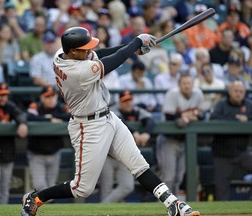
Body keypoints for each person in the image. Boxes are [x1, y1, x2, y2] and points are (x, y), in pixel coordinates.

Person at [21, 26, 200, 216]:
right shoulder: (78, 72)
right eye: (84, 48)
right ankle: (36, 197)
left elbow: (98, 54)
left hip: (108, 117)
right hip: (88, 126)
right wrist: (136, 43)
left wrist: (133, 48)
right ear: (73, 51)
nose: (89, 50)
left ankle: (174, 205)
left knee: (139, 165)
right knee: (82, 189)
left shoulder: (63, 53)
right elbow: (112, 61)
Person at [210, 81, 252, 200]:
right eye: (236, 91)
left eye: (241, 92)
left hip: (242, 151)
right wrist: (234, 119)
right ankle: (223, 211)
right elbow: (213, 118)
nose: (238, 94)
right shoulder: (222, 105)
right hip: (222, 153)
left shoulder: (249, 105)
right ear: (230, 92)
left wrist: (249, 118)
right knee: (222, 191)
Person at [99, 90, 155, 203]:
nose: (128, 103)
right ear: (119, 102)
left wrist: (146, 133)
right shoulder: (112, 110)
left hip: (123, 156)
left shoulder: (137, 111)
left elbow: (150, 120)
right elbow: (121, 122)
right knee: (106, 189)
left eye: (130, 100)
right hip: (107, 155)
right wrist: (135, 133)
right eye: (125, 101)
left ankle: (102, 207)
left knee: (127, 186)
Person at [157, 73, 205, 196]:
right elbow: (169, 117)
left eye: (189, 83)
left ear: (193, 84)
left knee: (179, 177)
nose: (187, 86)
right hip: (169, 140)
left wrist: (185, 117)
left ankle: (175, 206)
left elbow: (202, 115)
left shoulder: (197, 94)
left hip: (186, 141)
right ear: (179, 85)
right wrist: (189, 116)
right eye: (184, 83)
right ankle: (161, 207)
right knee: (168, 177)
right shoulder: (172, 94)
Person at [26, 85, 70, 192]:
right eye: (48, 97)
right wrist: (49, 119)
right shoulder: (35, 106)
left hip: (54, 152)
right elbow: (29, 117)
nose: (51, 99)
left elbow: (72, 115)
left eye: (53, 96)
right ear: (42, 97)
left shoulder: (61, 107)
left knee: (51, 186)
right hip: (37, 153)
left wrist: (56, 117)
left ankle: (47, 207)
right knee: (40, 185)